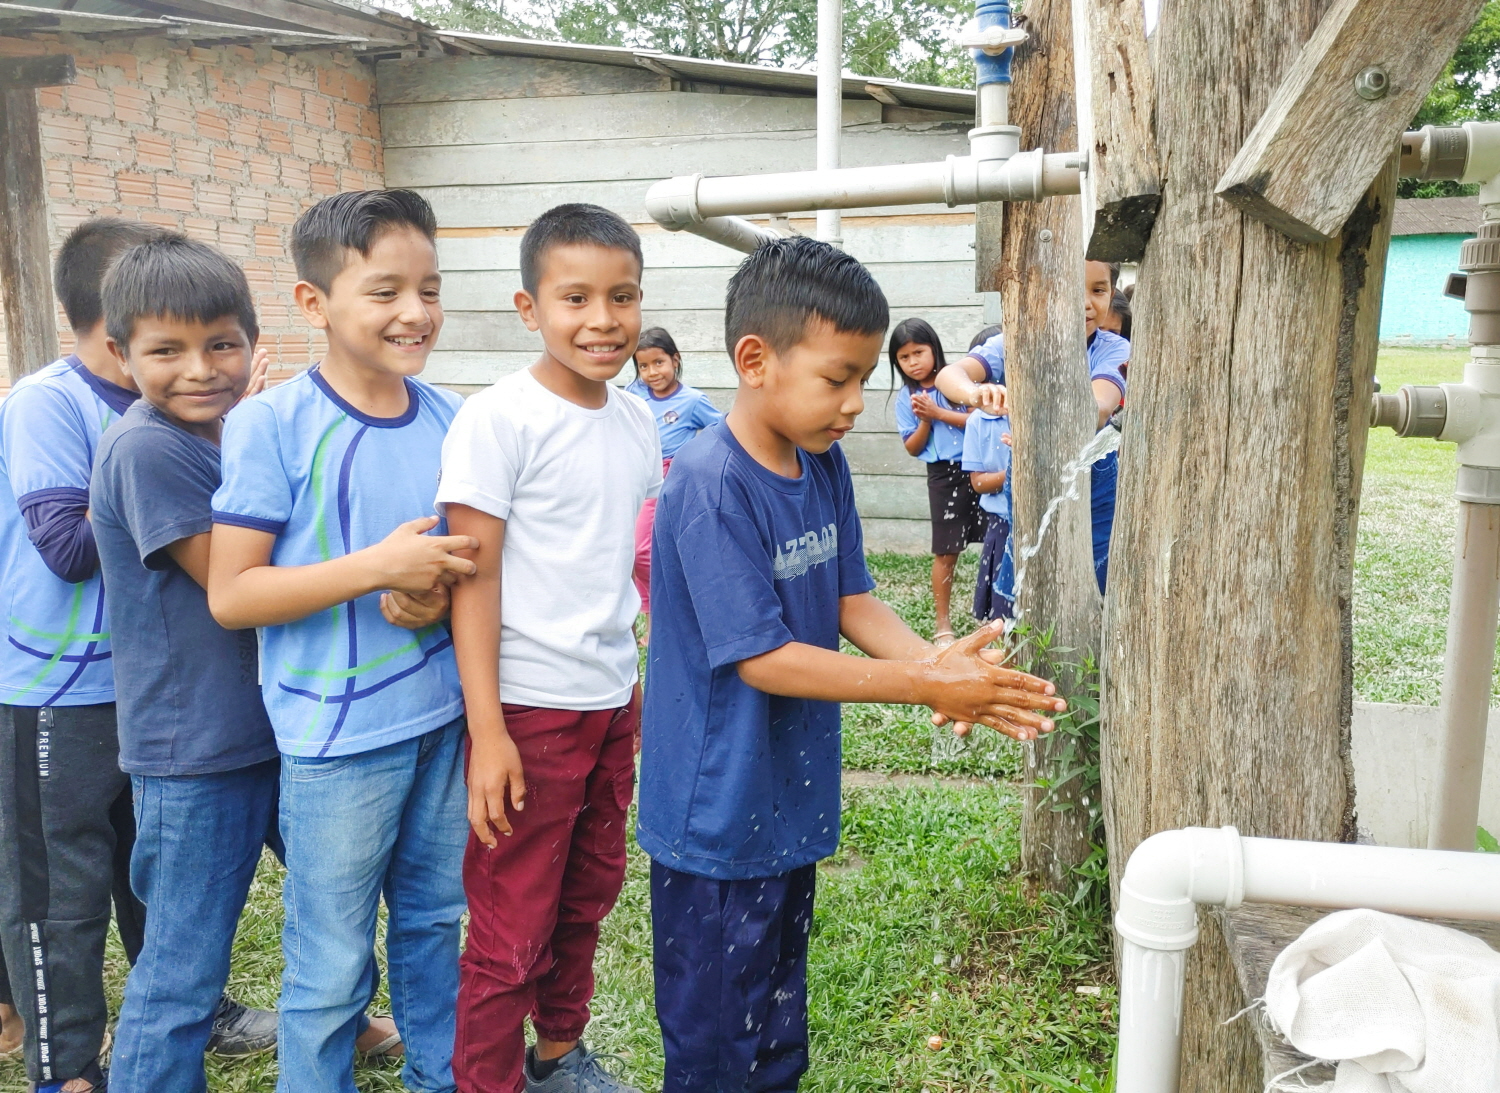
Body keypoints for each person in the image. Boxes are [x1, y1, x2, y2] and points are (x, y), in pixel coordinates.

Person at [637, 236, 1067, 1092]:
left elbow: (850, 600)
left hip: (785, 794)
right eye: (839, 378)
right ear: (754, 359)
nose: (856, 403)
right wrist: (922, 682)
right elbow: (761, 658)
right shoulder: (710, 482)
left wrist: (938, 660)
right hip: (716, 817)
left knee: (775, 1021)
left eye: (865, 380)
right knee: (717, 1041)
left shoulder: (820, 464)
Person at [208, 189, 475, 1093]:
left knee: (438, 922)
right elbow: (234, 592)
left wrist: (432, 593)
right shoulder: (269, 425)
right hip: (336, 746)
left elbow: (454, 563)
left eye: (430, 289)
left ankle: (442, 1074)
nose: (416, 312)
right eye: (386, 290)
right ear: (314, 303)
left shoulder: (452, 419)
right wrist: (380, 569)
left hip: (443, 721)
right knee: (329, 961)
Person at [0, 218, 275, 1093]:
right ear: (115, 329)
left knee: (152, 889)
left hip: (159, 686)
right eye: (167, 339)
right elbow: (67, 547)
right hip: (60, 684)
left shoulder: (189, 418)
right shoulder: (68, 407)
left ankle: (192, 1023)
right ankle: (67, 1067)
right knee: (65, 892)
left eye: (218, 340)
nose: (200, 362)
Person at [439, 202, 660, 1093]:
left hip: (613, 697)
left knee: (589, 893)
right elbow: (473, 580)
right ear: (530, 308)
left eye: (622, 296)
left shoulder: (638, 418)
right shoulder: (497, 420)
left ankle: (560, 1052)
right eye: (575, 298)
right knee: (509, 927)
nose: (602, 320)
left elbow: (628, 552)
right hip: (529, 709)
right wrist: (487, 732)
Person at [936, 259, 1128, 593]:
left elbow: (1097, 407)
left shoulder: (1113, 348)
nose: (1086, 302)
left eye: (1098, 290)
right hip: (1027, 470)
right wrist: (976, 392)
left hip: (1092, 476)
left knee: (1096, 570)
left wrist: (1034, 411)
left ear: (1112, 292)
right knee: (1028, 566)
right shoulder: (1014, 342)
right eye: (1070, 288)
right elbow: (948, 376)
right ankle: (1022, 636)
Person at [888, 318, 984, 644]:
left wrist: (939, 413)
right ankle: (943, 625)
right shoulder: (907, 397)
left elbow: (978, 421)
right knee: (946, 551)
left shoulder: (954, 383)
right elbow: (912, 447)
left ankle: (995, 614)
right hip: (942, 475)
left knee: (996, 542)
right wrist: (925, 421)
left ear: (934, 349)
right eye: (904, 357)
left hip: (980, 466)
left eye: (919, 352)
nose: (913, 362)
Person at [624, 326, 721, 641]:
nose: (652, 372)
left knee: (645, 550)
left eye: (659, 363)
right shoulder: (632, 394)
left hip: (668, 481)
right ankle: (641, 623)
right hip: (633, 475)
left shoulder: (692, 401)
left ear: (675, 360)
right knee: (630, 552)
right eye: (643, 365)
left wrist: (696, 462)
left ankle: (660, 625)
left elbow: (723, 430)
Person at [962, 404, 1012, 622]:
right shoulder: (980, 420)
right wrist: (1015, 468)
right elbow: (979, 482)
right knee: (1002, 614)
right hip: (1002, 524)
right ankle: (1006, 654)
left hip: (1052, 523)